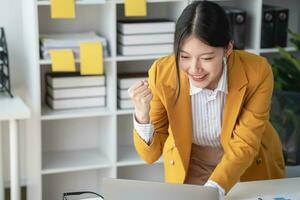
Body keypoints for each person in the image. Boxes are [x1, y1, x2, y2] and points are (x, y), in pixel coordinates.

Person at [127, 1, 285, 199]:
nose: (194, 69)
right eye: (184, 57)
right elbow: (150, 155)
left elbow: (244, 143)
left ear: (228, 49)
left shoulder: (257, 71)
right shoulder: (162, 73)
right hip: (192, 161)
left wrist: (213, 189)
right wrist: (142, 115)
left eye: (207, 58)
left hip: (247, 162)